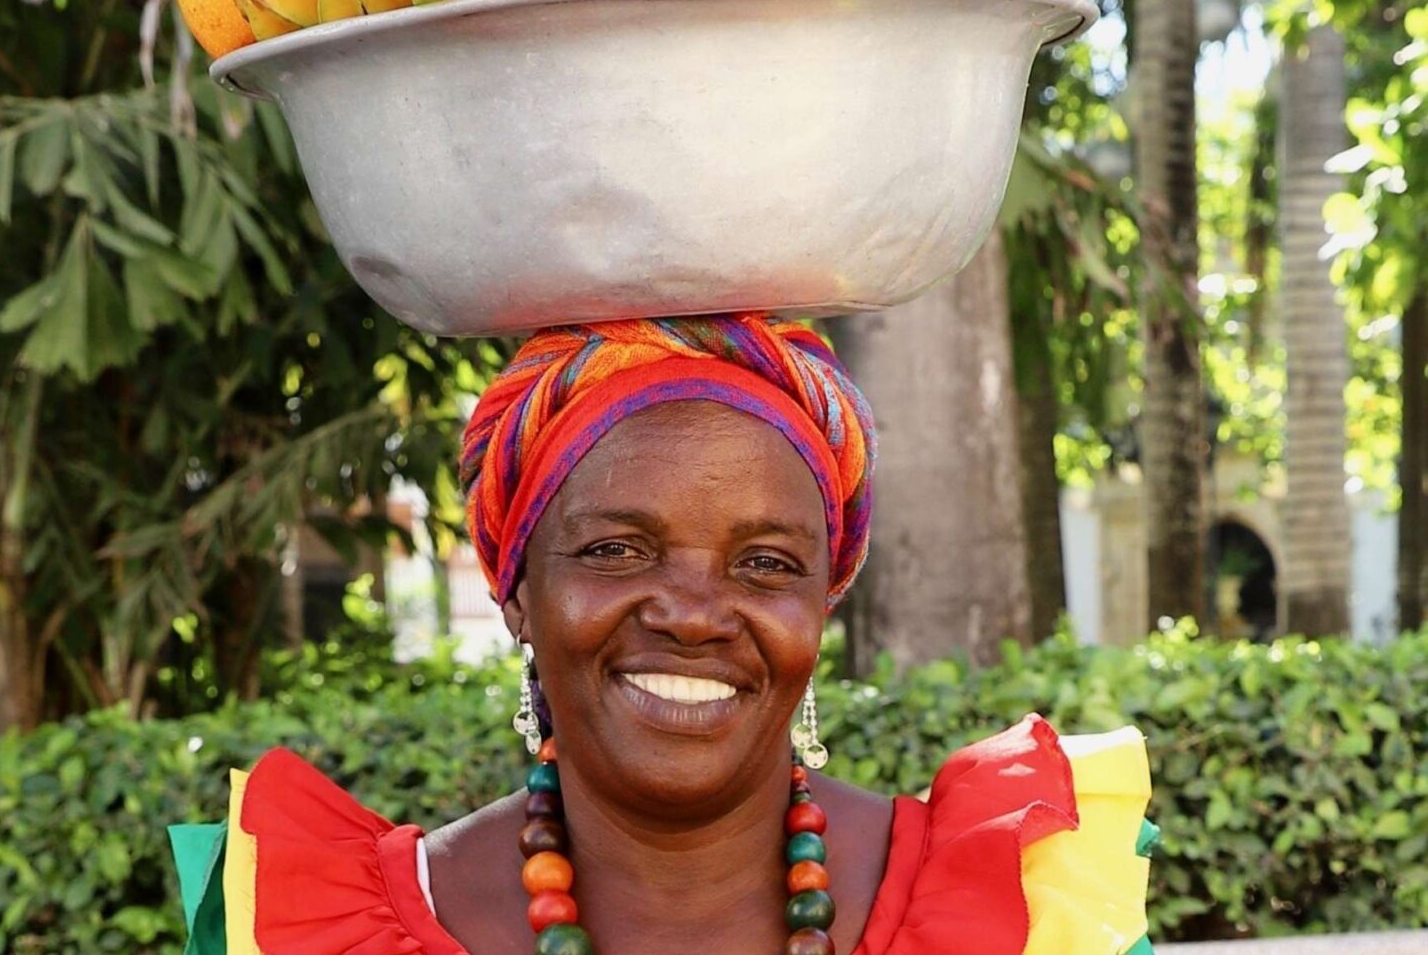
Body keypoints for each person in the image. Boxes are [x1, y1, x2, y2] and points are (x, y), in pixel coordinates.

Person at [169, 314, 1156, 955]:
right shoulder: (329, 925)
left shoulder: (1013, 909)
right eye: (614, 550)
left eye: (765, 563)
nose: (690, 611)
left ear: (824, 600)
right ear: (515, 589)